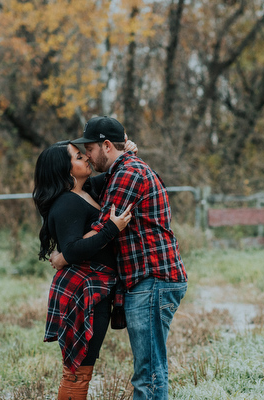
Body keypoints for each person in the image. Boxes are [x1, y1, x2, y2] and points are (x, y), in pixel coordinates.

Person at [51, 116, 188, 400]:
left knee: (148, 372)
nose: (87, 155)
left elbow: (105, 228)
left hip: (152, 279)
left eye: (88, 148)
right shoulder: (120, 171)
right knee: (149, 369)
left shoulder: (128, 173)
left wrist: (65, 256)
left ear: (106, 145)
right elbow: (86, 190)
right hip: (147, 279)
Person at [33, 140, 133, 400]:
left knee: (83, 364)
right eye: (78, 157)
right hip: (83, 290)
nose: (86, 159)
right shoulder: (67, 203)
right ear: (64, 170)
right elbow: (72, 249)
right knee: (78, 369)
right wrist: (112, 228)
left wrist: (127, 151)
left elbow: (113, 172)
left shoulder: (86, 190)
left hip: (96, 287)